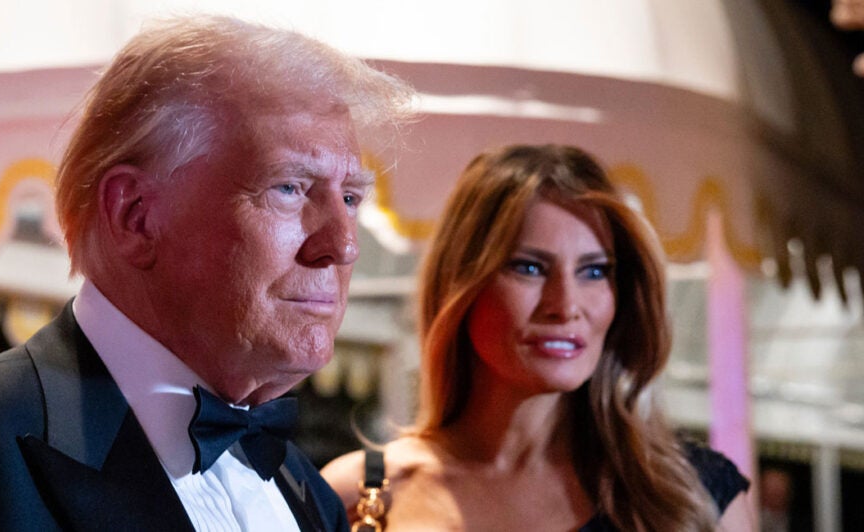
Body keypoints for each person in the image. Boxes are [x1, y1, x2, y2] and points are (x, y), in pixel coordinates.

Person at [0, 14, 414, 531]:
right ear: (135, 216)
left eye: (351, 198)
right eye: (289, 188)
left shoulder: (306, 493)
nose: (342, 245)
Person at [323, 144, 756, 531]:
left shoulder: (689, 495)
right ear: (461, 285)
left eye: (594, 271)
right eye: (529, 267)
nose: (565, 305)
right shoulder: (358, 496)